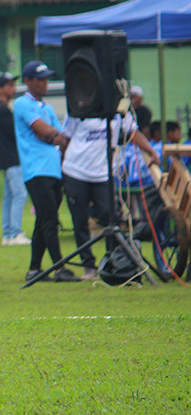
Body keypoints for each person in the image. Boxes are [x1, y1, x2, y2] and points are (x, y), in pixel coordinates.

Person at [61, 113, 160, 280]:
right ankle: (89, 267)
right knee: (80, 221)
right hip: (75, 171)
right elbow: (66, 139)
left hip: (103, 174)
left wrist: (150, 151)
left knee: (111, 217)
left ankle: (114, 263)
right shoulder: (79, 106)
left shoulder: (119, 108)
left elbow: (133, 132)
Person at [14, 61, 79, 283]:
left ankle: (34, 270)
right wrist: (52, 135)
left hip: (54, 170)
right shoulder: (22, 104)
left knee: (42, 221)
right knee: (50, 219)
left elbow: (60, 137)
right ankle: (60, 268)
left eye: (46, 79)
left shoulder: (48, 108)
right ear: (28, 81)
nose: (45, 83)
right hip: (36, 170)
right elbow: (42, 130)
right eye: (40, 79)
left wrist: (51, 135)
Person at [0, 72, 29, 246]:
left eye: (13, 85)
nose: (13, 89)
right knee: (20, 194)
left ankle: (8, 233)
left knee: (10, 195)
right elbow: (16, 134)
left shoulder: (2, 108)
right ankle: (14, 233)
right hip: (12, 158)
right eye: (9, 85)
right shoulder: (2, 109)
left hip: (6, 159)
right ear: (0, 88)